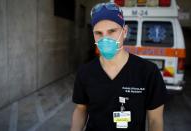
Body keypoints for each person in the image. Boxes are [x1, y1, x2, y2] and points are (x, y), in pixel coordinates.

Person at [70, 2, 167, 131]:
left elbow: (155, 120)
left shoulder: (148, 72)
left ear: (125, 31)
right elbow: (80, 110)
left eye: (112, 31)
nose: (105, 39)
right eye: (99, 33)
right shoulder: (85, 72)